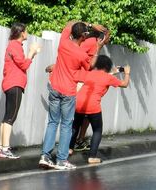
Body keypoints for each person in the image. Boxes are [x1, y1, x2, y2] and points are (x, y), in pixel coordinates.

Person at [39, 21, 107, 170]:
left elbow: (70, 24)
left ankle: (45, 156)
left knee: (52, 122)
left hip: (55, 88)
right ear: (83, 36)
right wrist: (98, 47)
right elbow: (90, 66)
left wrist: (88, 25)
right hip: (68, 92)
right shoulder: (81, 54)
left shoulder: (63, 42)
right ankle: (61, 160)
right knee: (66, 125)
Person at [70, 55, 130, 164]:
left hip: (78, 102)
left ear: (97, 64)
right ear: (108, 66)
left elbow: (76, 76)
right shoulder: (108, 78)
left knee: (75, 126)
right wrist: (127, 73)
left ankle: (69, 149)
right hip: (93, 105)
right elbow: (124, 84)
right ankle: (92, 157)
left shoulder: (89, 73)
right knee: (97, 130)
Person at [0, 23, 40, 159]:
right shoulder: (15, 46)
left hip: (11, 84)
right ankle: (5, 149)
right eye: (26, 31)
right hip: (14, 84)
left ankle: (2, 148)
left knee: (7, 117)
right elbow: (23, 64)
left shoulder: (13, 45)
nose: (27, 33)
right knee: (11, 117)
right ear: (21, 33)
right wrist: (32, 53)